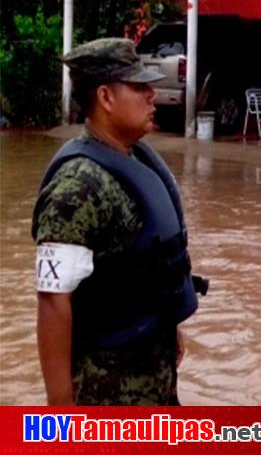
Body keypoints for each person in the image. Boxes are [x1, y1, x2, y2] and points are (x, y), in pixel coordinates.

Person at [33, 37, 207, 405]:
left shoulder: (136, 161)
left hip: (153, 381)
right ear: (106, 98)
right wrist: (61, 413)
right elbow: (53, 301)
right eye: (139, 87)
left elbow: (147, 269)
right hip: (105, 392)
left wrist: (169, 326)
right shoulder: (77, 186)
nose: (152, 96)